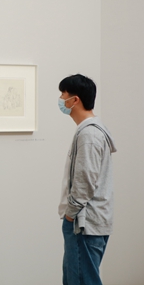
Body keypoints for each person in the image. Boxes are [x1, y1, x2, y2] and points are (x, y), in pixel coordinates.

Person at [58, 74, 117, 285]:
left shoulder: (89, 135)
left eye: (63, 95)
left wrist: (70, 216)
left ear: (75, 100)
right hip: (88, 222)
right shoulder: (91, 130)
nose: (60, 100)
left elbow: (85, 183)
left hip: (84, 224)